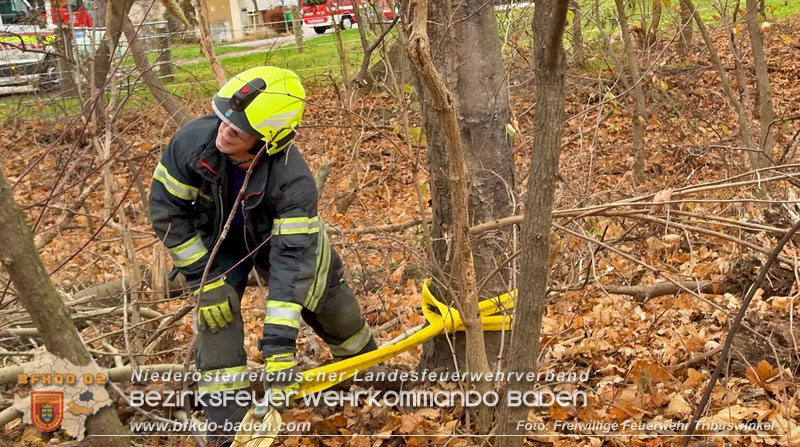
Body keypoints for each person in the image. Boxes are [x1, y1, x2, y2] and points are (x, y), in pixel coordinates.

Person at [148, 66, 377, 446]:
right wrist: (201, 280)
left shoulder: (294, 182)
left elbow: (290, 269)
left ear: (268, 140)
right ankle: (230, 430)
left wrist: (279, 352)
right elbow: (166, 212)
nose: (225, 130)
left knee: (331, 306)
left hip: (283, 244)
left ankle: (379, 382)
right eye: (224, 118)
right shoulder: (191, 143)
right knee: (217, 320)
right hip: (216, 243)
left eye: (239, 129)